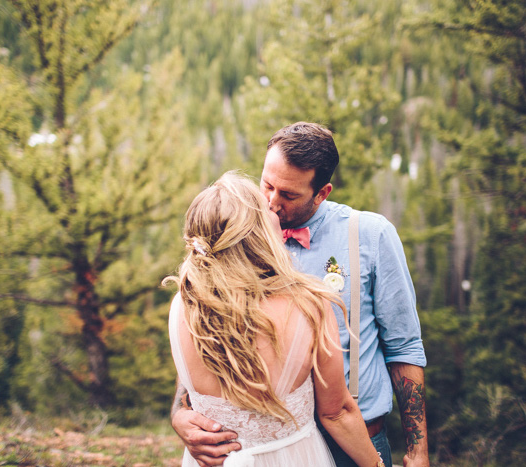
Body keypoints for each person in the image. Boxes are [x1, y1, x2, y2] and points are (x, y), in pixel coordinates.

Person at [172, 122, 430, 467]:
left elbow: (404, 347)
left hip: (356, 442)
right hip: (259, 447)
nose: (271, 203)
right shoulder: (234, 237)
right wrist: (181, 413)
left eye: (289, 195)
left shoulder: (370, 236)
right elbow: (207, 329)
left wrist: (418, 450)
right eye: (266, 185)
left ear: (322, 193)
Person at [165, 171, 384, 467]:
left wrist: (178, 413)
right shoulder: (309, 305)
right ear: (256, 232)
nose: (275, 206)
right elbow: (337, 413)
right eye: (266, 207)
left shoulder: (183, 303)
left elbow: (189, 391)